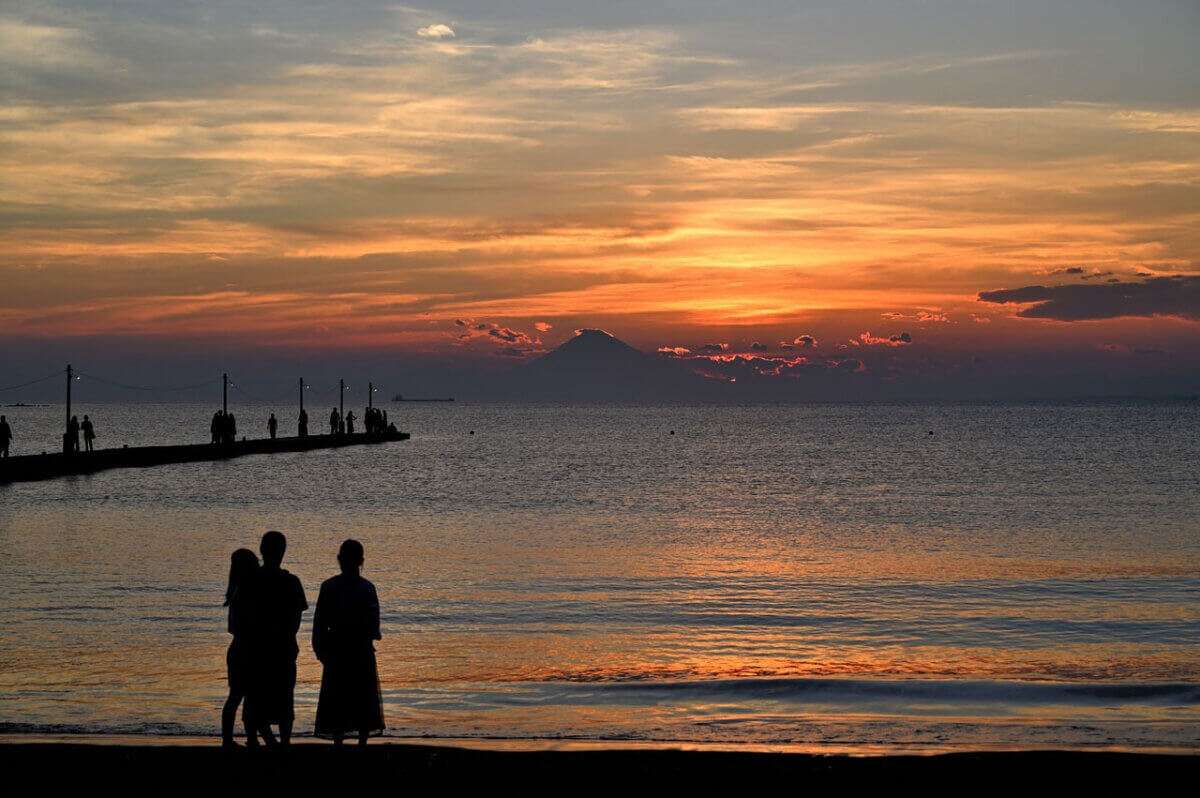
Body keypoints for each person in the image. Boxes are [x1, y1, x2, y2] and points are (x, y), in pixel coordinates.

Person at [312, 539, 384, 745]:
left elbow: (319, 623)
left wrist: (320, 649)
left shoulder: (329, 587)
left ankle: (338, 743)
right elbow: (373, 626)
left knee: (337, 699)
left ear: (339, 560)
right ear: (361, 561)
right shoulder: (367, 588)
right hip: (360, 650)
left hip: (336, 651)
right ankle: (361, 743)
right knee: (362, 699)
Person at [243, 531, 307, 748]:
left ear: (262, 550)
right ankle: (283, 742)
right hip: (283, 647)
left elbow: (245, 616)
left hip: (257, 647)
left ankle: (258, 739)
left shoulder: (250, 580)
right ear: (283, 552)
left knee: (255, 695)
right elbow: (296, 620)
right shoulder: (291, 581)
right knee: (283, 697)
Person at [221, 548, 263, 749]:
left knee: (237, 696)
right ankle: (248, 738)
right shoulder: (246, 591)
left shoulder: (235, 591)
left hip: (238, 648)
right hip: (246, 649)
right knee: (247, 696)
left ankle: (229, 740)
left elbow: (234, 627)